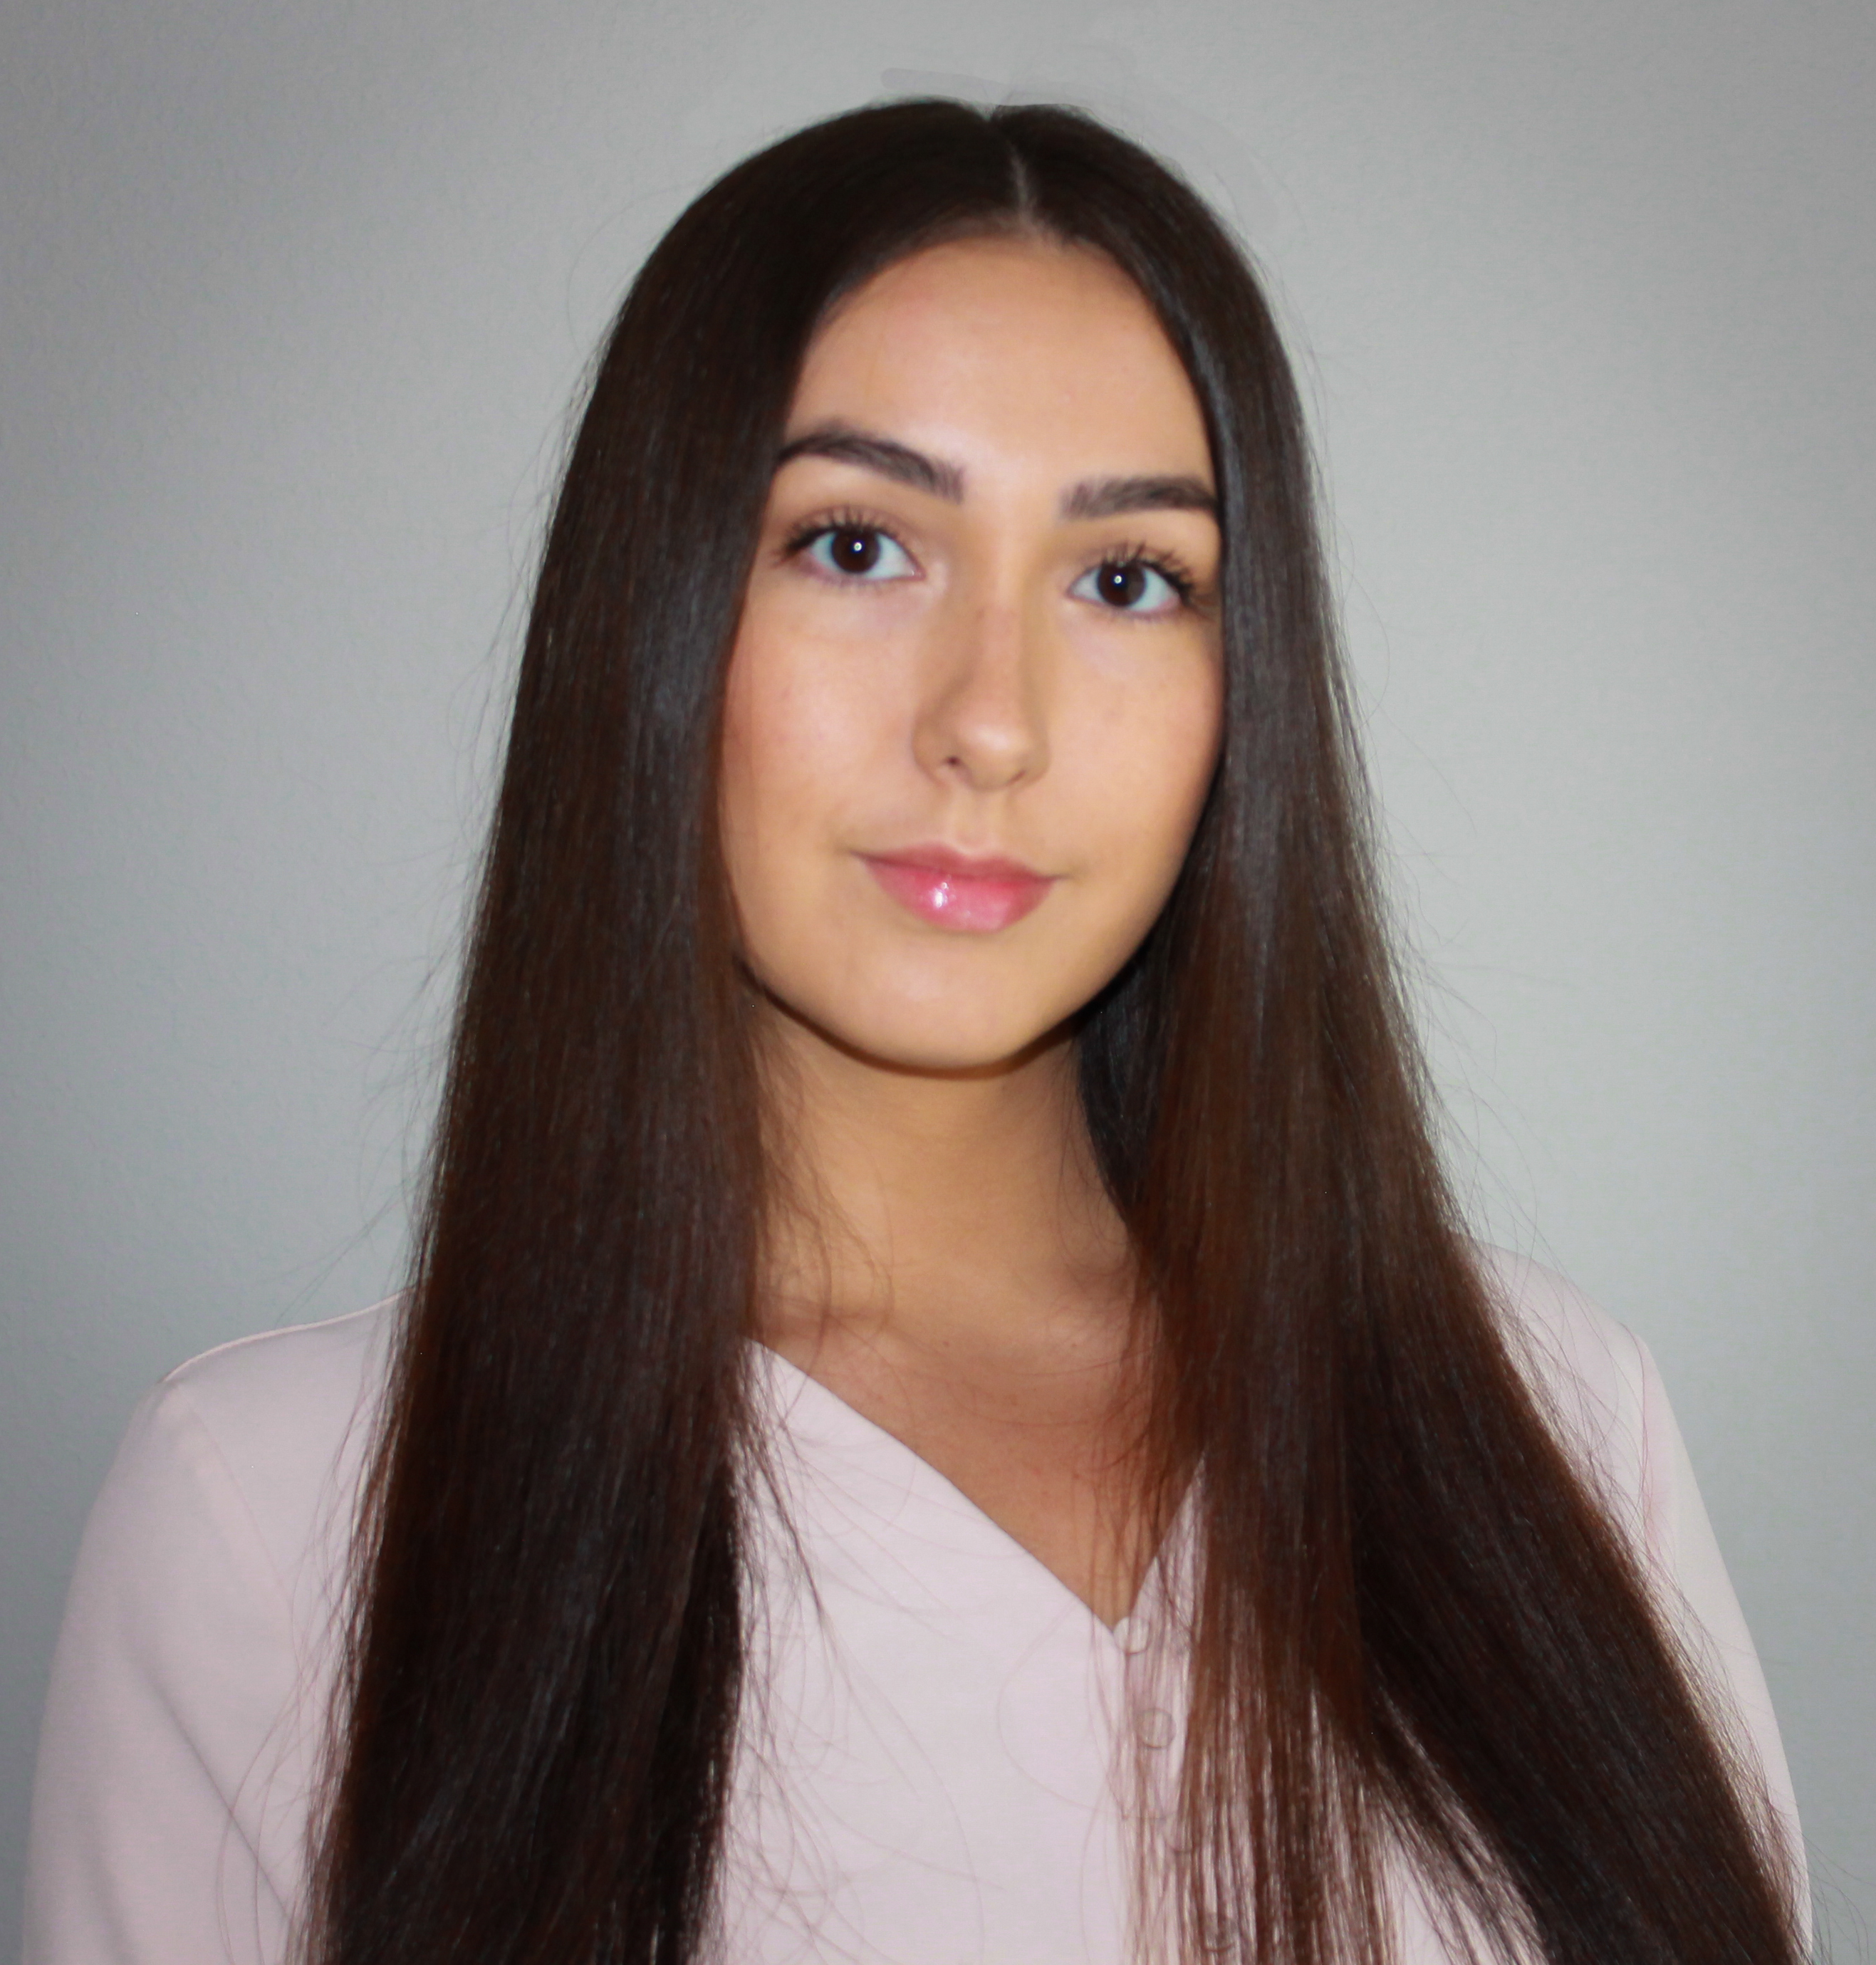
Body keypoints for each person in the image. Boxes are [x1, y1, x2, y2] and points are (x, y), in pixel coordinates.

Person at [26, 99, 1805, 1965]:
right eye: (858, 545)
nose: (992, 723)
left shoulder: (1554, 1425)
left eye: (1128, 579)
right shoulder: (282, 1518)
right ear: (652, 612)